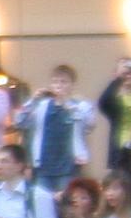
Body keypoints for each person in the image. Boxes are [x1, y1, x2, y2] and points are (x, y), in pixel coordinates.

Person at [19, 65, 94, 193]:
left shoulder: (81, 106)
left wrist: (66, 104)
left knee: (65, 201)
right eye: (55, 82)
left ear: (72, 85)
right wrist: (33, 101)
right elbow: (20, 122)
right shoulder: (42, 106)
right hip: (43, 167)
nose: (59, 86)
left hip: (69, 167)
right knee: (43, 200)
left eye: (63, 82)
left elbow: (88, 125)